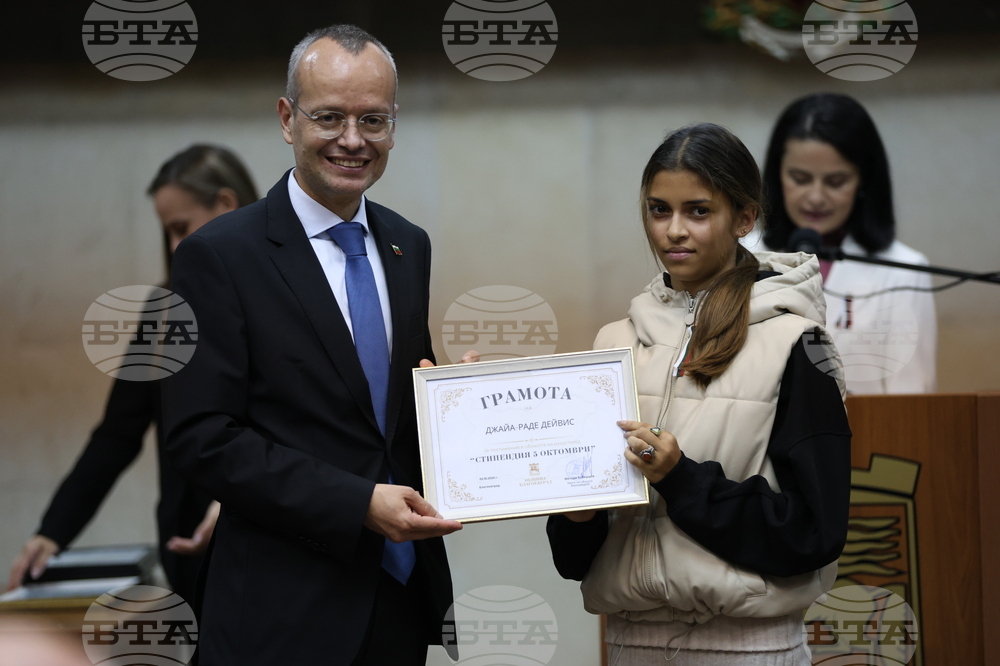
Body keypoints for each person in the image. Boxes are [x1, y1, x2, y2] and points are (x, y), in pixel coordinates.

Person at [160, 25, 463, 666]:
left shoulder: (408, 245)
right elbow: (200, 438)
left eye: (373, 120)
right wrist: (356, 504)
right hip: (279, 619)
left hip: (400, 606)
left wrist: (458, 406)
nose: (353, 140)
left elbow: (385, 415)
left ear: (393, 124)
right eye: (329, 117)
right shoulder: (219, 256)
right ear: (286, 118)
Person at [547, 123, 852, 665]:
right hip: (627, 641)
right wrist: (576, 514)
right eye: (659, 210)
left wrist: (681, 479)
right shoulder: (615, 342)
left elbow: (814, 532)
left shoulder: (796, 343)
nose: (674, 231)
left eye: (698, 211)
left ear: (744, 218)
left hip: (749, 645)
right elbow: (576, 561)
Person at [5, 145, 258, 603]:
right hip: (187, 547)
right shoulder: (165, 311)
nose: (175, 246)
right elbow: (117, 434)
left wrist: (245, 499)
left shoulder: (282, 300)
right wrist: (53, 532)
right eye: (167, 233)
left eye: (181, 227)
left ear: (225, 204)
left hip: (265, 539)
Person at [757, 92, 937, 394]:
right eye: (800, 178)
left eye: (835, 182)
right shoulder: (741, 255)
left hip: (866, 439)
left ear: (864, 180)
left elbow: (912, 406)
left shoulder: (904, 270)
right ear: (777, 175)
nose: (816, 197)